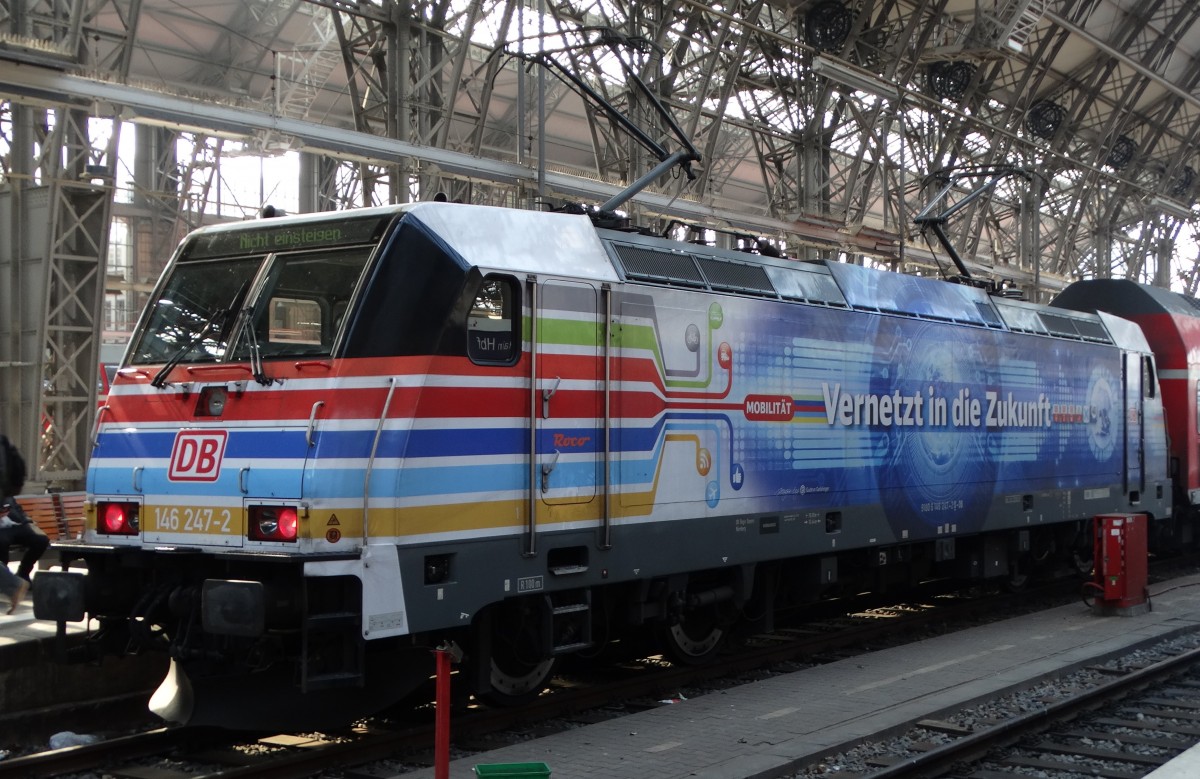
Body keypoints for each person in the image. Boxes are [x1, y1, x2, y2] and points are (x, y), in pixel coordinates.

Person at [0, 497, 49, 583]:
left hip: (17, 526)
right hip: (1, 530)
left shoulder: (6, 493)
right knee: (2, 542)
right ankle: (4, 579)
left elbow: (18, 509)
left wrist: (26, 521)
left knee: (41, 540)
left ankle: (23, 573)